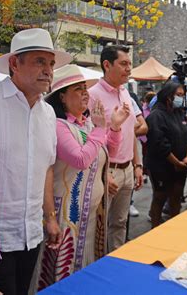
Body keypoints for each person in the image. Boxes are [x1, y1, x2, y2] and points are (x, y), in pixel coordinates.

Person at [0, 28, 72, 295]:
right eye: (39, 61)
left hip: (31, 235)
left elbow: (45, 167)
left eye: (50, 63)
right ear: (14, 63)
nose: (48, 70)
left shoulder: (47, 114)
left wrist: (49, 217)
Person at [36, 64, 129, 289]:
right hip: (67, 214)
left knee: (85, 266)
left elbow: (108, 154)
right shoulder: (59, 126)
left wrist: (114, 127)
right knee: (64, 269)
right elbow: (80, 159)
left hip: (90, 213)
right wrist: (99, 129)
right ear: (63, 98)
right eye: (78, 89)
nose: (86, 93)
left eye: (85, 88)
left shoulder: (86, 124)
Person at [88, 45, 143, 252]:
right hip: (107, 173)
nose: (129, 68)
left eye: (130, 64)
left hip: (128, 169)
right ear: (106, 65)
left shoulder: (125, 93)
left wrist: (137, 165)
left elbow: (131, 132)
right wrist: (102, 173)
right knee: (98, 226)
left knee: (120, 223)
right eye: (124, 64)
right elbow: (90, 139)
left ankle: (116, 261)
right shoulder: (93, 95)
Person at [146, 82, 187, 228]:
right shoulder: (156, 115)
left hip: (181, 166)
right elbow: (159, 144)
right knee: (160, 198)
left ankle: (173, 229)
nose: (181, 98)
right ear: (168, 96)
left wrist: (186, 159)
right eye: (178, 95)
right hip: (162, 166)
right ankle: (155, 229)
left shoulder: (180, 113)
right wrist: (175, 162)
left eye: (182, 96)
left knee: (176, 198)